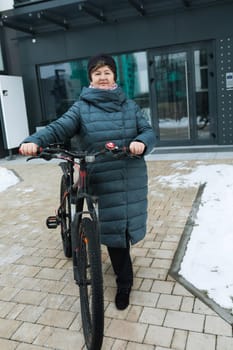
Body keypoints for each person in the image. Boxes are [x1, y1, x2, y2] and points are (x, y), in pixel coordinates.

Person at [19, 54, 156, 310]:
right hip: (99, 171)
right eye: (97, 73)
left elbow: (148, 131)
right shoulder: (81, 107)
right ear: (91, 78)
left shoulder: (129, 106)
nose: (103, 77)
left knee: (119, 231)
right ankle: (80, 237)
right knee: (104, 221)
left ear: (114, 75)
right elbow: (58, 128)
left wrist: (142, 142)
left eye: (107, 72)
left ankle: (124, 282)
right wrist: (34, 141)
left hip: (128, 172)